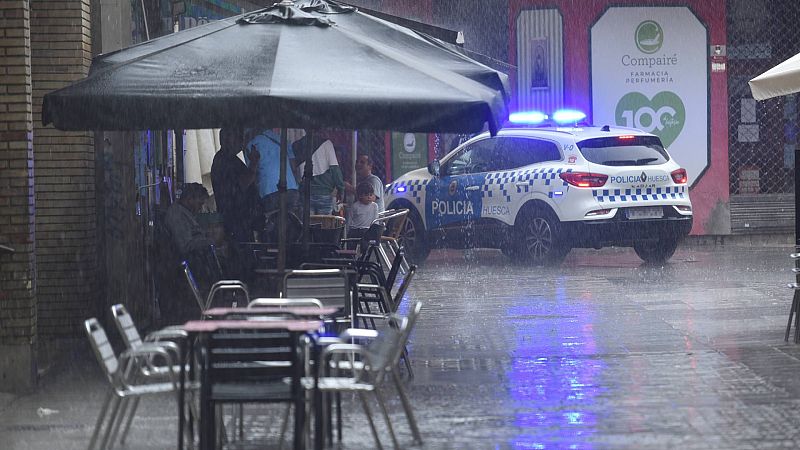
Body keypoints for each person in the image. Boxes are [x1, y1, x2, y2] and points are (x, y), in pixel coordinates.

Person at [162, 183, 218, 323]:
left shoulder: (185, 214)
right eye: (199, 203)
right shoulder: (177, 215)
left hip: (196, 264)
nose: (200, 208)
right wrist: (209, 242)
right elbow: (185, 245)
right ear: (189, 199)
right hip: (188, 267)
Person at [210, 127, 261, 243]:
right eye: (238, 138)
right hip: (235, 220)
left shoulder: (230, 160)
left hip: (241, 220)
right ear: (226, 139)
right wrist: (253, 164)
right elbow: (242, 184)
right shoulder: (223, 161)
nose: (241, 142)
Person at [244, 128, 301, 216]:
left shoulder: (251, 144)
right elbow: (294, 168)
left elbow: (252, 173)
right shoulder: (283, 140)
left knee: (274, 225)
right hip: (291, 190)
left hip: (268, 192)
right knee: (292, 224)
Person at [298, 139, 345, 215]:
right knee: (324, 224)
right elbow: (334, 169)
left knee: (307, 224)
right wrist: (341, 189)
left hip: (306, 192)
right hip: (324, 193)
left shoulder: (298, 144)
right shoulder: (327, 143)